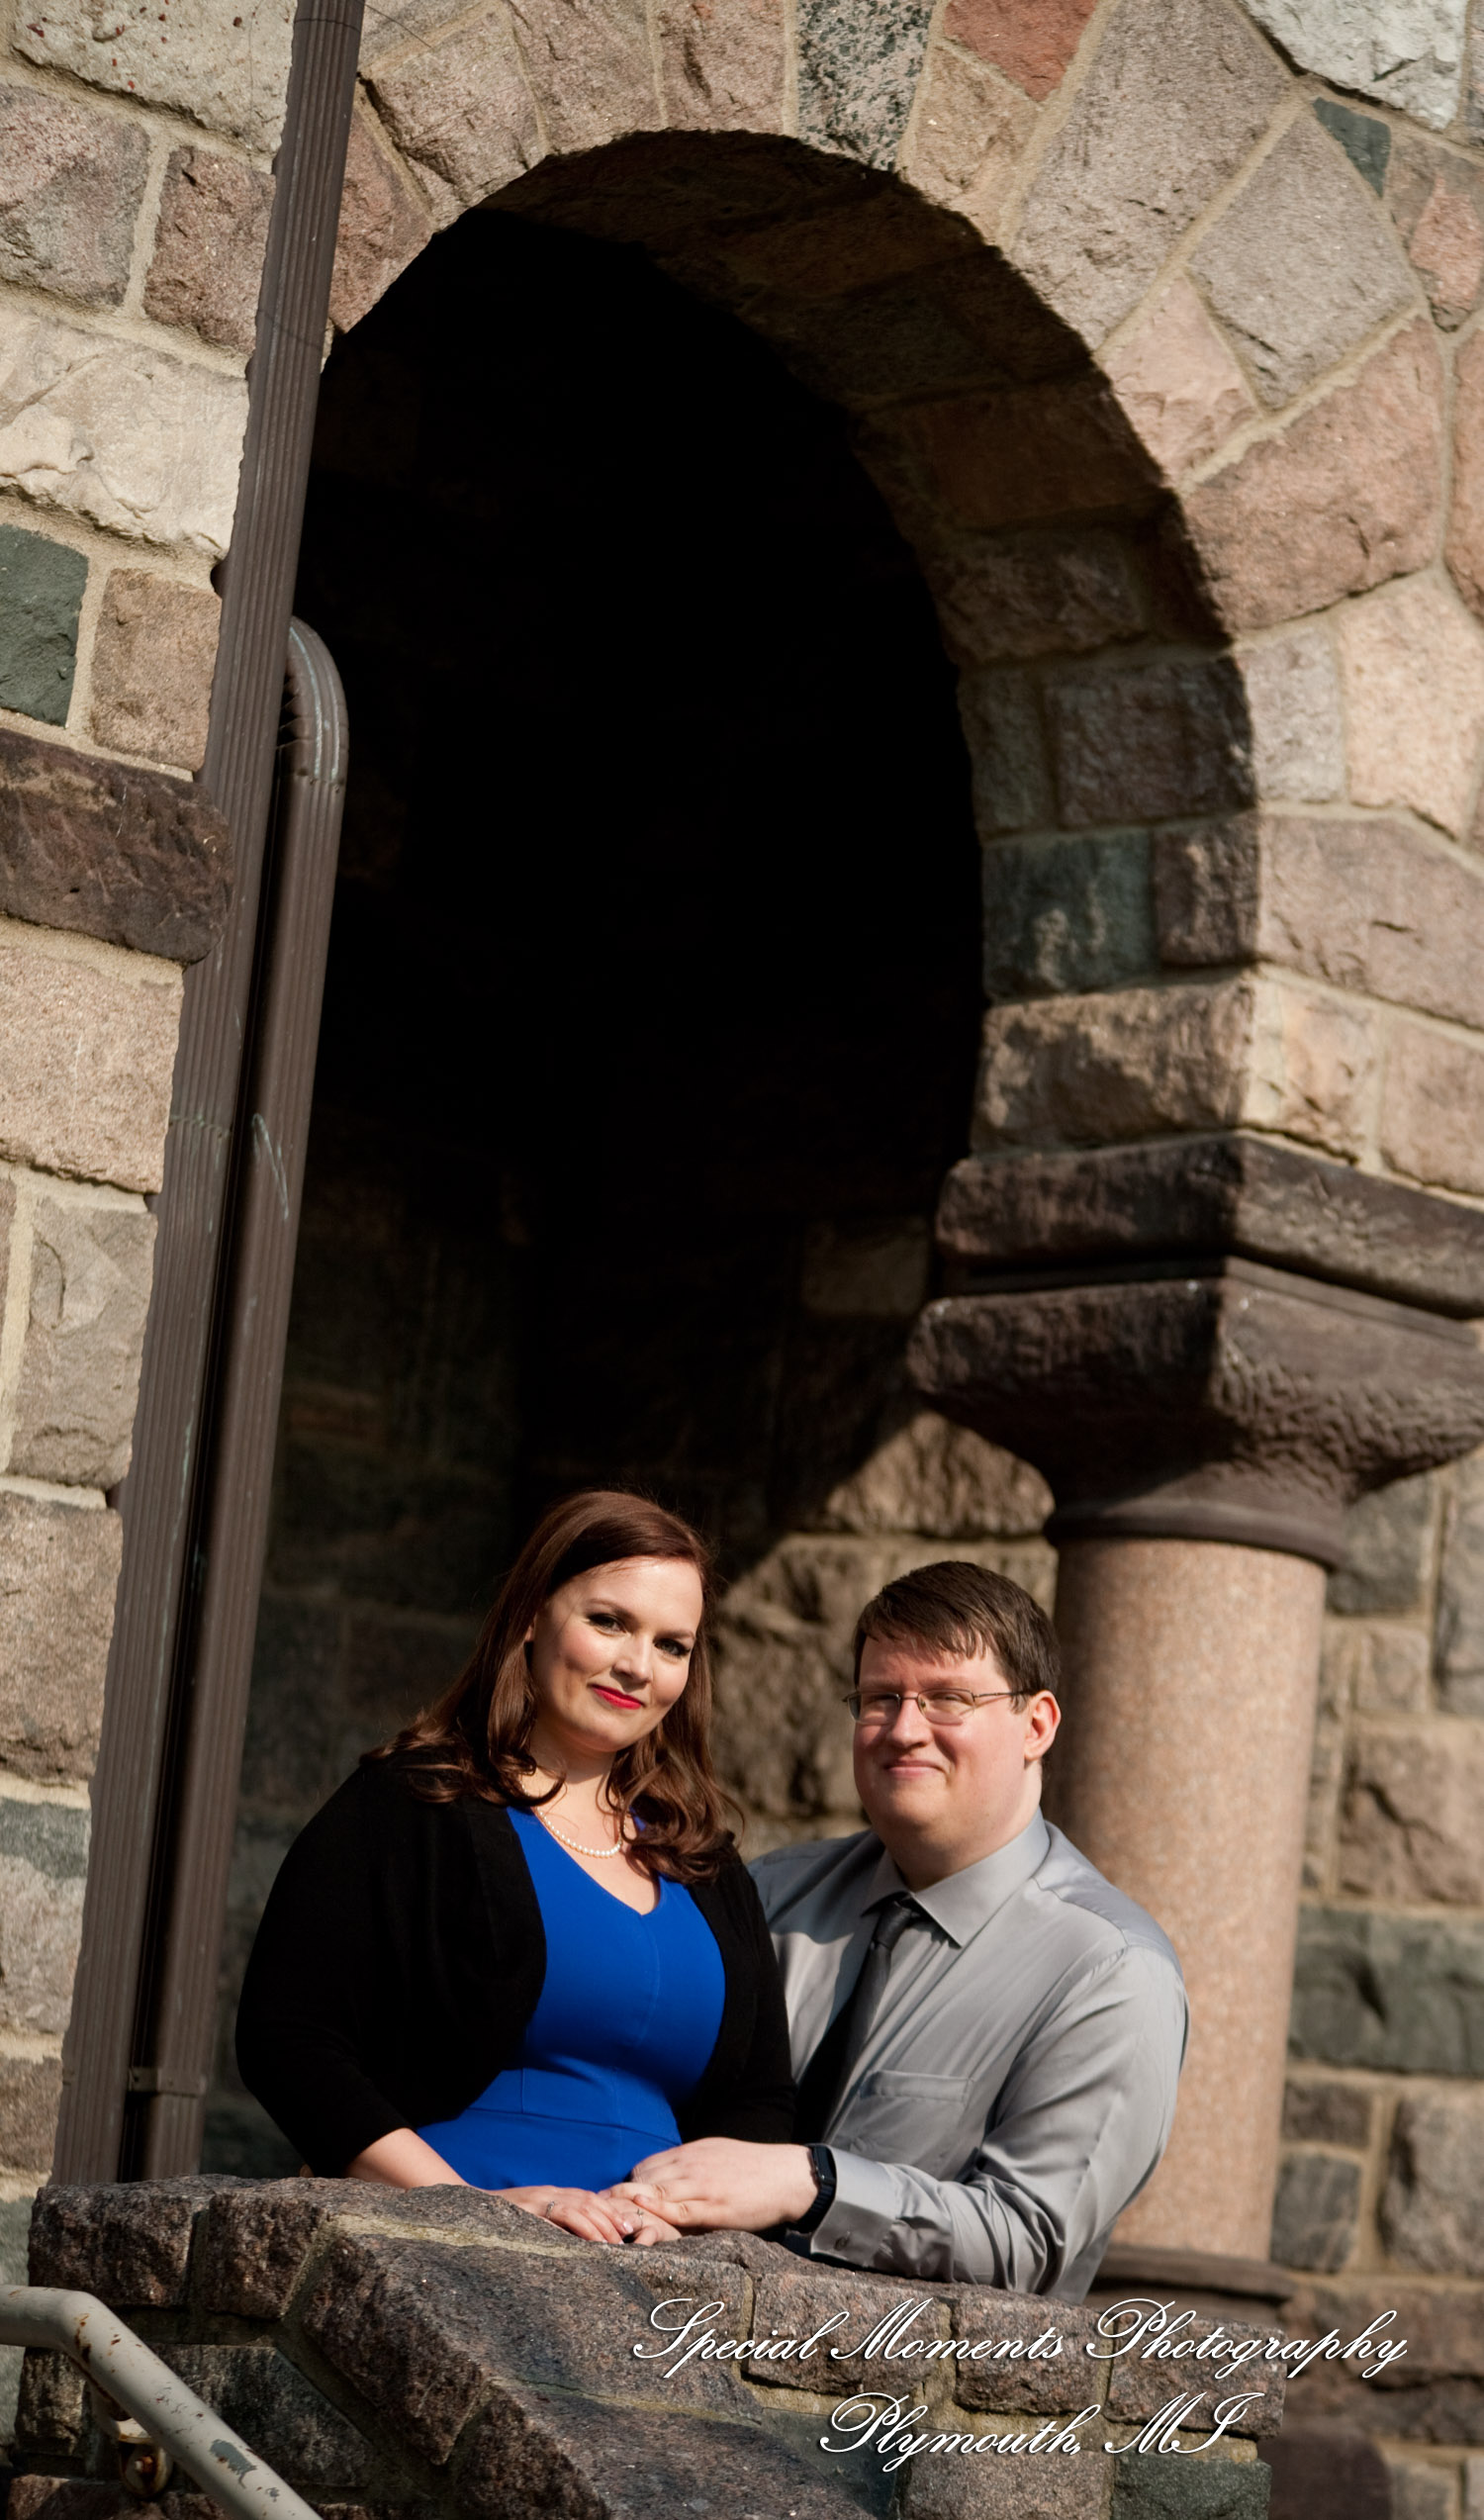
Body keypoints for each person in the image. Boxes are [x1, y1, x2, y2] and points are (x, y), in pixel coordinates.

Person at [606, 1559, 1187, 2295]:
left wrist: (814, 2182)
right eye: (882, 1697)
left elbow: (1029, 2240)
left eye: (948, 1698)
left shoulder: (1109, 1970)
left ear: (1036, 1724)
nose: (905, 1730)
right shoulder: (769, 1895)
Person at [235, 1489, 793, 2245]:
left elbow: (756, 2102)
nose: (637, 1666)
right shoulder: (413, 1802)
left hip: (658, 2275)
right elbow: (290, 2038)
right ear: (532, 1614)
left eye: (672, 1645)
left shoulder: (706, 1862)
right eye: (609, 1621)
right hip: (449, 2252)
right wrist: (469, 2208)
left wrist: (688, 2226)